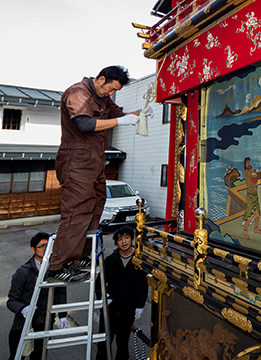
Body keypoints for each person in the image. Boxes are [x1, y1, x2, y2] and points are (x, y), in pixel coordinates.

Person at [47, 66, 153, 283]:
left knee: (96, 205)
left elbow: (120, 115)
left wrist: (139, 115)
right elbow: (84, 124)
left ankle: (80, 257)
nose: (111, 94)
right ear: (101, 79)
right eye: (110, 89)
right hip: (76, 159)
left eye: (115, 91)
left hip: (95, 160)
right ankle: (57, 265)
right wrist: (121, 121)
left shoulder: (103, 97)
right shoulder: (78, 93)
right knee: (77, 210)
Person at [7, 232, 67, 360]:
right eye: (42, 246)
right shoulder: (23, 272)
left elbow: (61, 292)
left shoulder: (55, 269)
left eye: (49, 245)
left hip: (45, 324)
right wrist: (23, 309)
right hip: (24, 325)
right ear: (32, 249)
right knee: (17, 356)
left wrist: (62, 315)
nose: (46, 248)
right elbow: (11, 301)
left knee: (39, 356)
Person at [96, 226, 148, 360]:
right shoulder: (110, 261)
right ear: (116, 242)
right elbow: (98, 283)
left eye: (126, 238)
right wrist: (102, 296)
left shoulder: (139, 260)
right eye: (120, 239)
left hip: (128, 310)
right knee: (103, 344)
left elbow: (143, 285)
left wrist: (140, 306)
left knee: (122, 344)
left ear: (132, 239)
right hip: (110, 309)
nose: (124, 242)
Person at [242, 157, 261, 239]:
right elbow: (249, 181)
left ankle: (256, 228)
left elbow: (254, 176)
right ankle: (245, 230)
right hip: (250, 194)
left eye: (249, 162)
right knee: (249, 213)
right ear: (245, 163)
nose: (249, 164)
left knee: (258, 212)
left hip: (255, 193)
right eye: (247, 163)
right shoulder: (246, 171)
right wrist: (254, 185)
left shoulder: (251, 168)